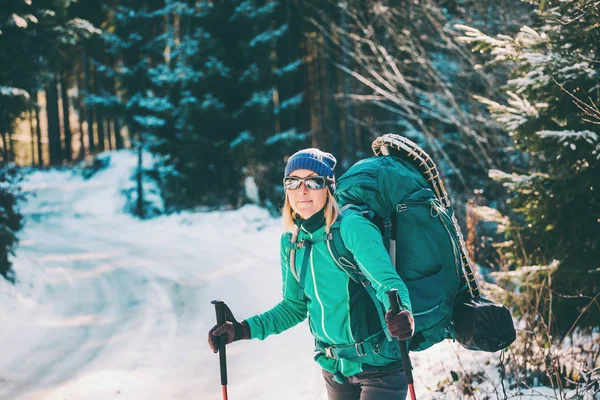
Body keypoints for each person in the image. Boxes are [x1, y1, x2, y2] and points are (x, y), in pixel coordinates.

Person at [208, 148, 415, 400]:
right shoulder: (292, 242)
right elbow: (293, 307)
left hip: (380, 366)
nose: (302, 190)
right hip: (334, 369)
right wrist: (241, 330)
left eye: (313, 181)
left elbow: (389, 283)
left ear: (329, 187)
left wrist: (402, 312)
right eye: (292, 182)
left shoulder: (352, 227)